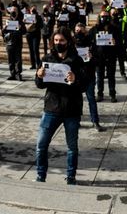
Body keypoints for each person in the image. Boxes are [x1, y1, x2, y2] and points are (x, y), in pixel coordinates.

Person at [34, 30, 85, 184]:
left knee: (72, 147)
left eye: (61, 40)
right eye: (55, 40)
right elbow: (39, 85)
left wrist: (75, 79)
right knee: (41, 145)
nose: (58, 43)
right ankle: (40, 175)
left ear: (68, 41)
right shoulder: (47, 59)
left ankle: (71, 177)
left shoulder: (76, 60)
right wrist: (39, 75)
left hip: (72, 109)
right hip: (52, 108)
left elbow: (84, 85)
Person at [73, 21, 105, 131]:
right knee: (76, 100)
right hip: (76, 77)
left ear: (85, 31)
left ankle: (95, 121)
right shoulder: (71, 44)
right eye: (77, 31)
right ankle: (76, 121)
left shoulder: (92, 43)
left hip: (89, 75)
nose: (79, 33)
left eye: (81, 31)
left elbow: (99, 61)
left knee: (91, 99)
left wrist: (91, 57)